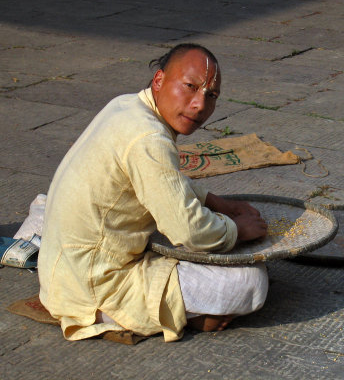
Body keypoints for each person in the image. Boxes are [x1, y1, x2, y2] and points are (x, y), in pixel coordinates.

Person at [38, 43, 269, 343]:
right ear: (159, 80)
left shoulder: (126, 104)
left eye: (211, 96)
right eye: (190, 87)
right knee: (250, 281)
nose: (200, 105)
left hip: (61, 272)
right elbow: (191, 231)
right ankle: (174, 315)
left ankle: (185, 307)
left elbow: (163, 181)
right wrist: (236, 229)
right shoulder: (149, 137)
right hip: (93, 286)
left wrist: (217, 202)